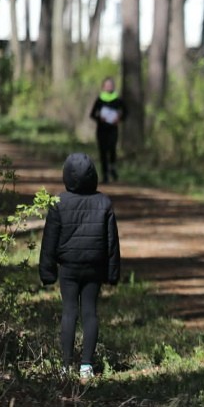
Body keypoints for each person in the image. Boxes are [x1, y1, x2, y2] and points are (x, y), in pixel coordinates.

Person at [39, 153, 122, 381]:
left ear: (66, 175)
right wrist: (112, 273)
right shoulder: (104, 202)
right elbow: (112, 242)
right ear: (93, 175)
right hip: (94, 268)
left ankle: (66, 365)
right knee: (89, 312)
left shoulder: (59, 202)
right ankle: (86, 365)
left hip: (68, 268)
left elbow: (49, 241)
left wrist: (47, 272)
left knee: (69, 312)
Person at [89, 76, 127, 184]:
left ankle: (113, 169)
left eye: (110, 85)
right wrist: (100, 118)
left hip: (113, 129)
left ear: (113, 87)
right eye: (107, 85)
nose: (109, 87)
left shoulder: (118, 99)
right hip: (101, 130)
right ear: (103, 87)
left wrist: (119, 119)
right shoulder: (100, 100)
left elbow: (126, 112)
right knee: (103, 152)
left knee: (112, 150)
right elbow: (92, 114)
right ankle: (105, 174)